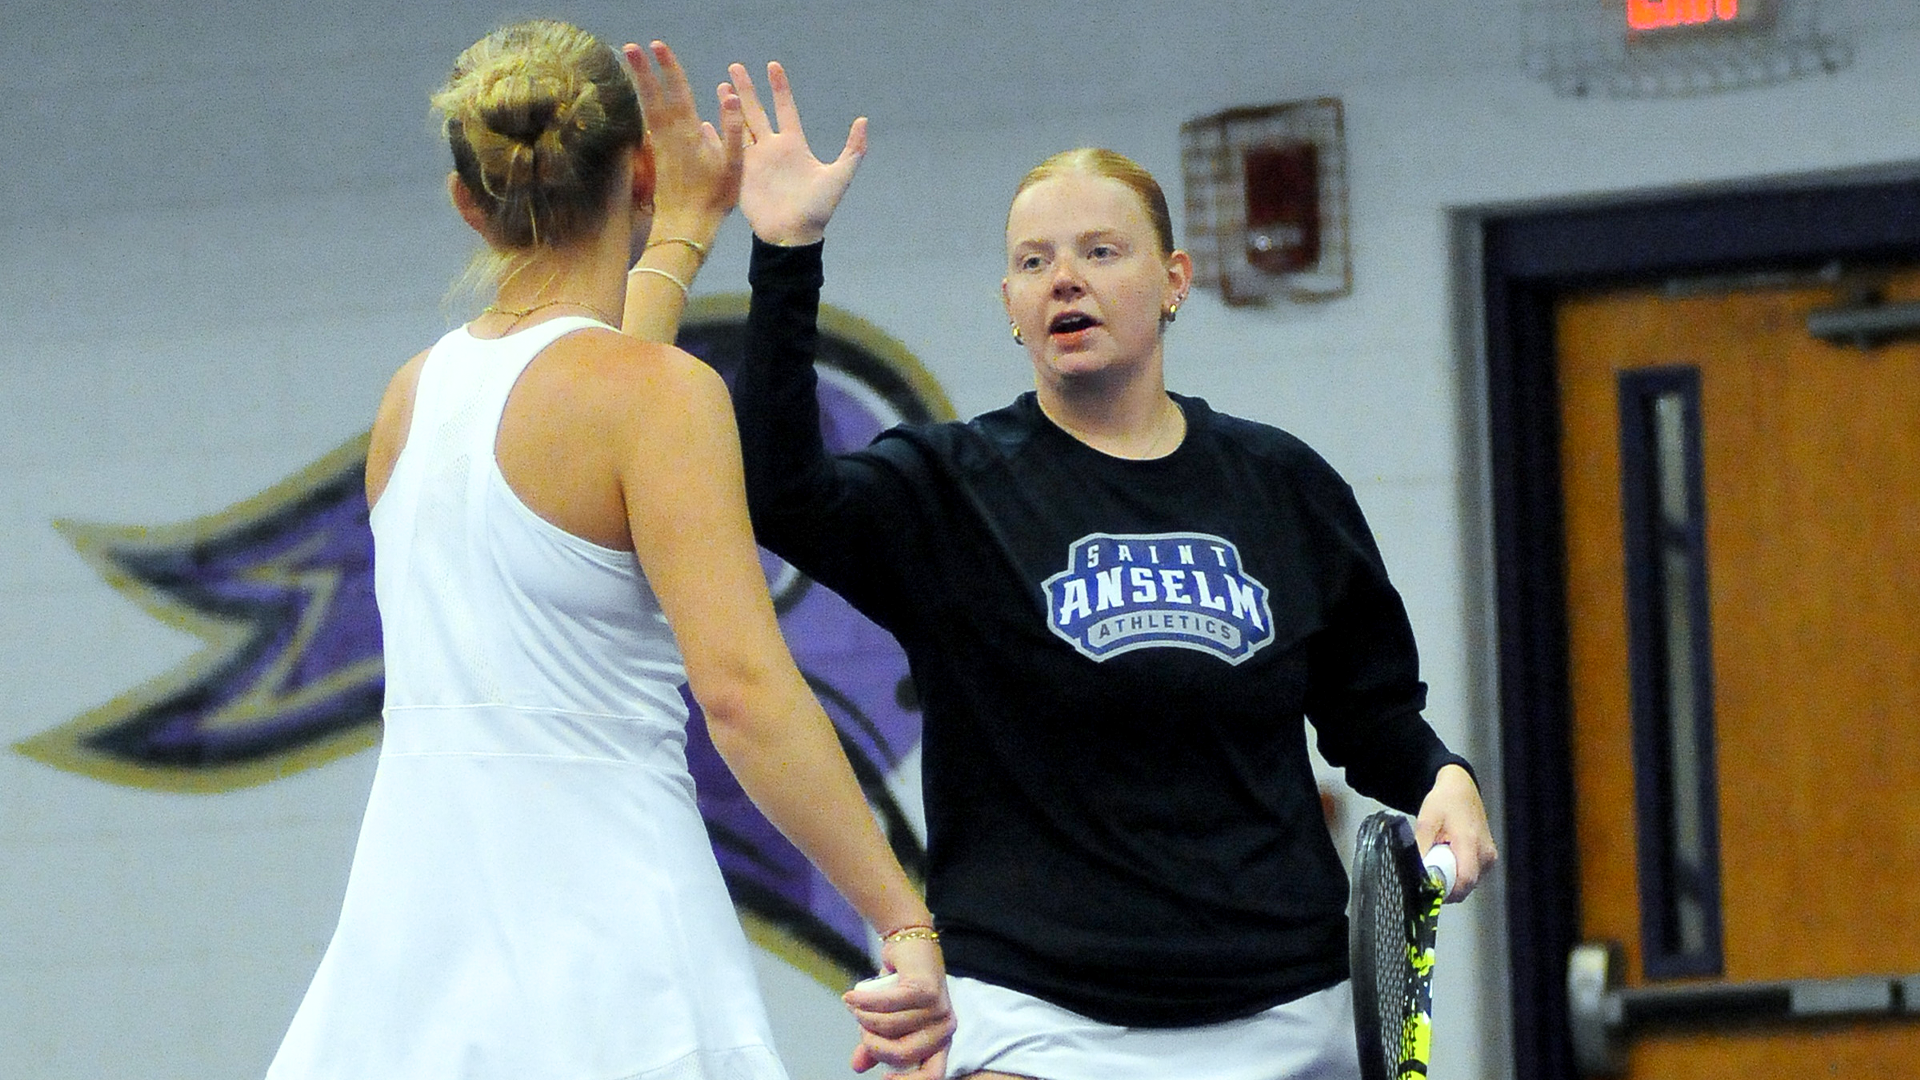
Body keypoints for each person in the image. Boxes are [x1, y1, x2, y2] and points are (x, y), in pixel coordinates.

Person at [723, 61, 1499, 1080]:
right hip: (1039, 1014)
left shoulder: (1282, 485)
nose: (1065, 279)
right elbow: (780, 493)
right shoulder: (947, 492)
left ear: (1173, 280)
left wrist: (1443, 777)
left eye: (1100, 250)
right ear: (1010, 302)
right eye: (1034, 261)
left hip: (1288, 1007)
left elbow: (1372, 714)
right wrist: (787, 255)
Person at [264, 22, 951, 1080]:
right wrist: (901, 917)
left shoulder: (411, 398)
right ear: (633, 169)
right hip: (613, 943)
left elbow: (581, 383)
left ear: (468, 204)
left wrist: (679, 228)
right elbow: (743, 694)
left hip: (412, 956)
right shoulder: (655, 399)